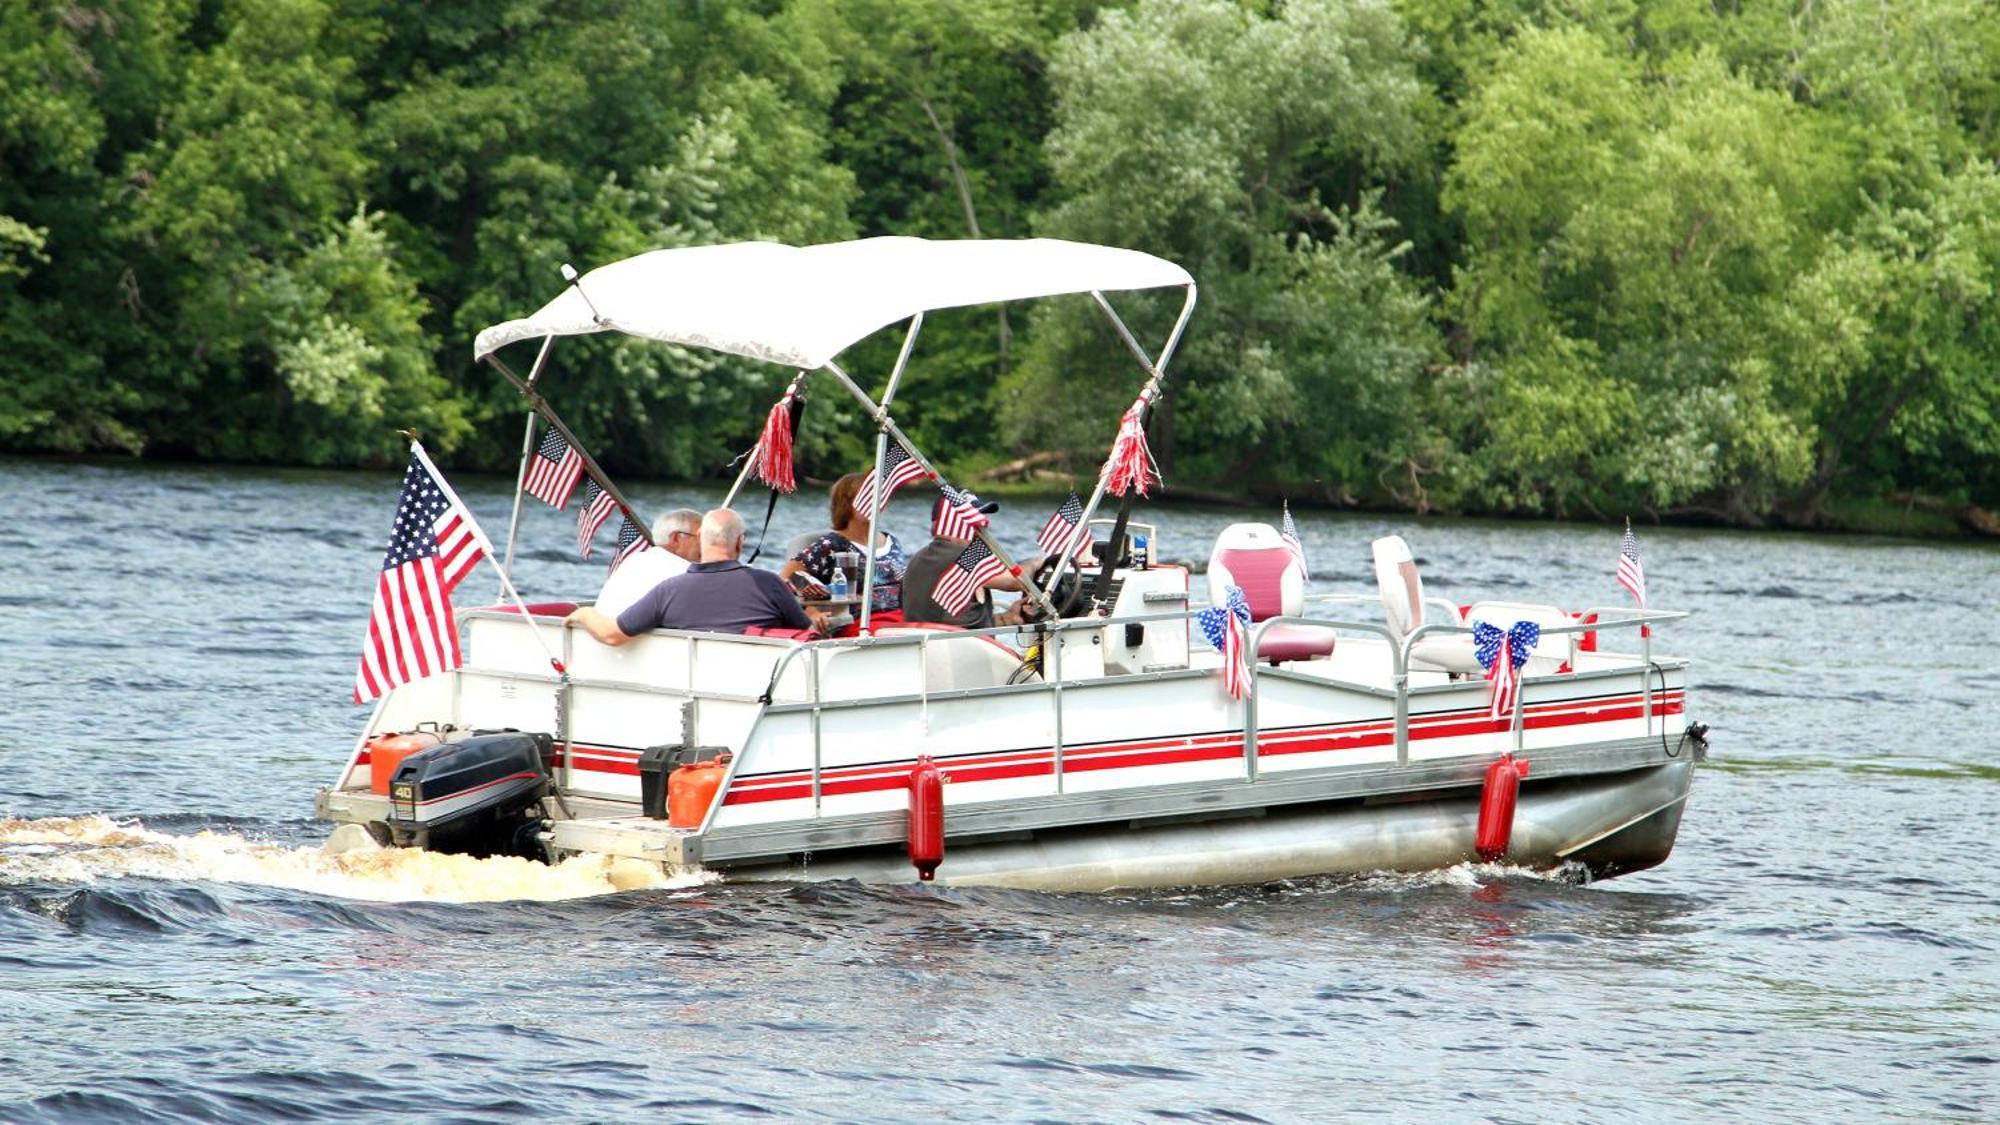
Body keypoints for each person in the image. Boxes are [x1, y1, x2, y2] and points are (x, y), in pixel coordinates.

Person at [567, 508, 813, 642]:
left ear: (705, 541)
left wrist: (583, 613)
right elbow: (805, 630)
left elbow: (612, 635)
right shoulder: (767, 583)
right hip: (756, 687)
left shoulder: (669, 589)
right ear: (740, 543)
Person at [900, 494, 1042, 629]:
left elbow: (952, 623)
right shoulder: (962, 555)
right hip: (957, 648)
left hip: (930, 646)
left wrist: (1007, 619)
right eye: (971, 519)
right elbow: (1016, 581)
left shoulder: (916, 560)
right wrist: (1035, 563)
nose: (981, 526)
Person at [779, 471, 909, 620]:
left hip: (901, 619)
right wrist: (811, 612)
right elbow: (783, 582)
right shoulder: (831, 544)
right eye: (866, 497)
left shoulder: (892, 542)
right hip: (859, 624)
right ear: (846, 504)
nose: (875, 503)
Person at [592, 508, 701, 618]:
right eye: (701, 537)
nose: (706, 544)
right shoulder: (685, 571)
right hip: (639, 633)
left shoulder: (634, 560)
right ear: (676, 538)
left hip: (595, 631)